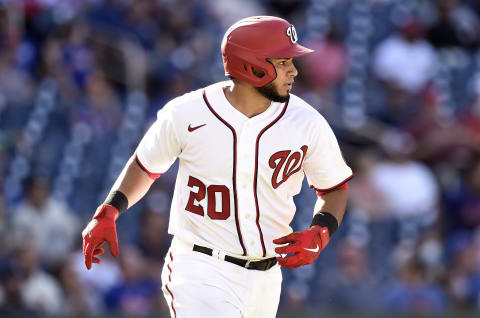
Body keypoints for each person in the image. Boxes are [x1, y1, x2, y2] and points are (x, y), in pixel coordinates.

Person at [82, 16, 353, 318]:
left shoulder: (307, 122)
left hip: (266, 277)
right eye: (283, 61)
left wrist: (322, 231)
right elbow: (146, 166)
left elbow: (334, 188)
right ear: (254, 66)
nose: (294, 70)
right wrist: (110, 210)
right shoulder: (187, 112)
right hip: (201, 267)